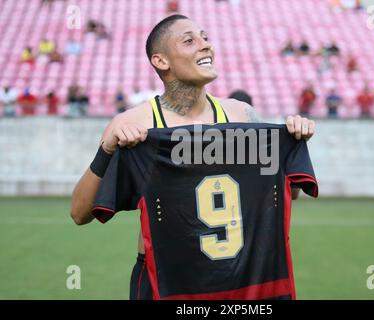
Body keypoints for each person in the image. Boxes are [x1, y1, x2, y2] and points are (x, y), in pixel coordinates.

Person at [70, 15, 315, 300]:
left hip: (235, 279)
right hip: (165, 281)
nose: (206, 46)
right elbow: (80, 213)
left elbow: (291, 194)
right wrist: (107, 150)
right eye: (190, 40)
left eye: (205, 38)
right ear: (161, 61)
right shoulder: (134, 124)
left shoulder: (241, 116)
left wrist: (295, 141)